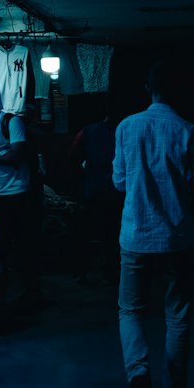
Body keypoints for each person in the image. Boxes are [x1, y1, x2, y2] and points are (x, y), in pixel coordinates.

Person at [112, 63, 194, 388]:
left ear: (146, 88)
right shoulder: (189, 131)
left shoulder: (126, 127)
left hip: (136, 234)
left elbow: (120, 182)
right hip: (177, 237)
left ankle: (139, 373)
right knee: (178, 316)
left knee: (130, 311)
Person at [0, 110, 44, 312]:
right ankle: (3, 293)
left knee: (24, 247)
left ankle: (31, 293)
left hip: (18, 193)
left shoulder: (11, 121)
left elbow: (17, 155)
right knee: (0, 247)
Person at [68, 107, 120, 284]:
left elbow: (72, 153)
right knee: (112, 233)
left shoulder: (88, 130)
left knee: (86, 231)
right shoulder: (123, 131)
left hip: (92, 188)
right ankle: (110, 271)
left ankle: (80, 270)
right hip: (115, 190)